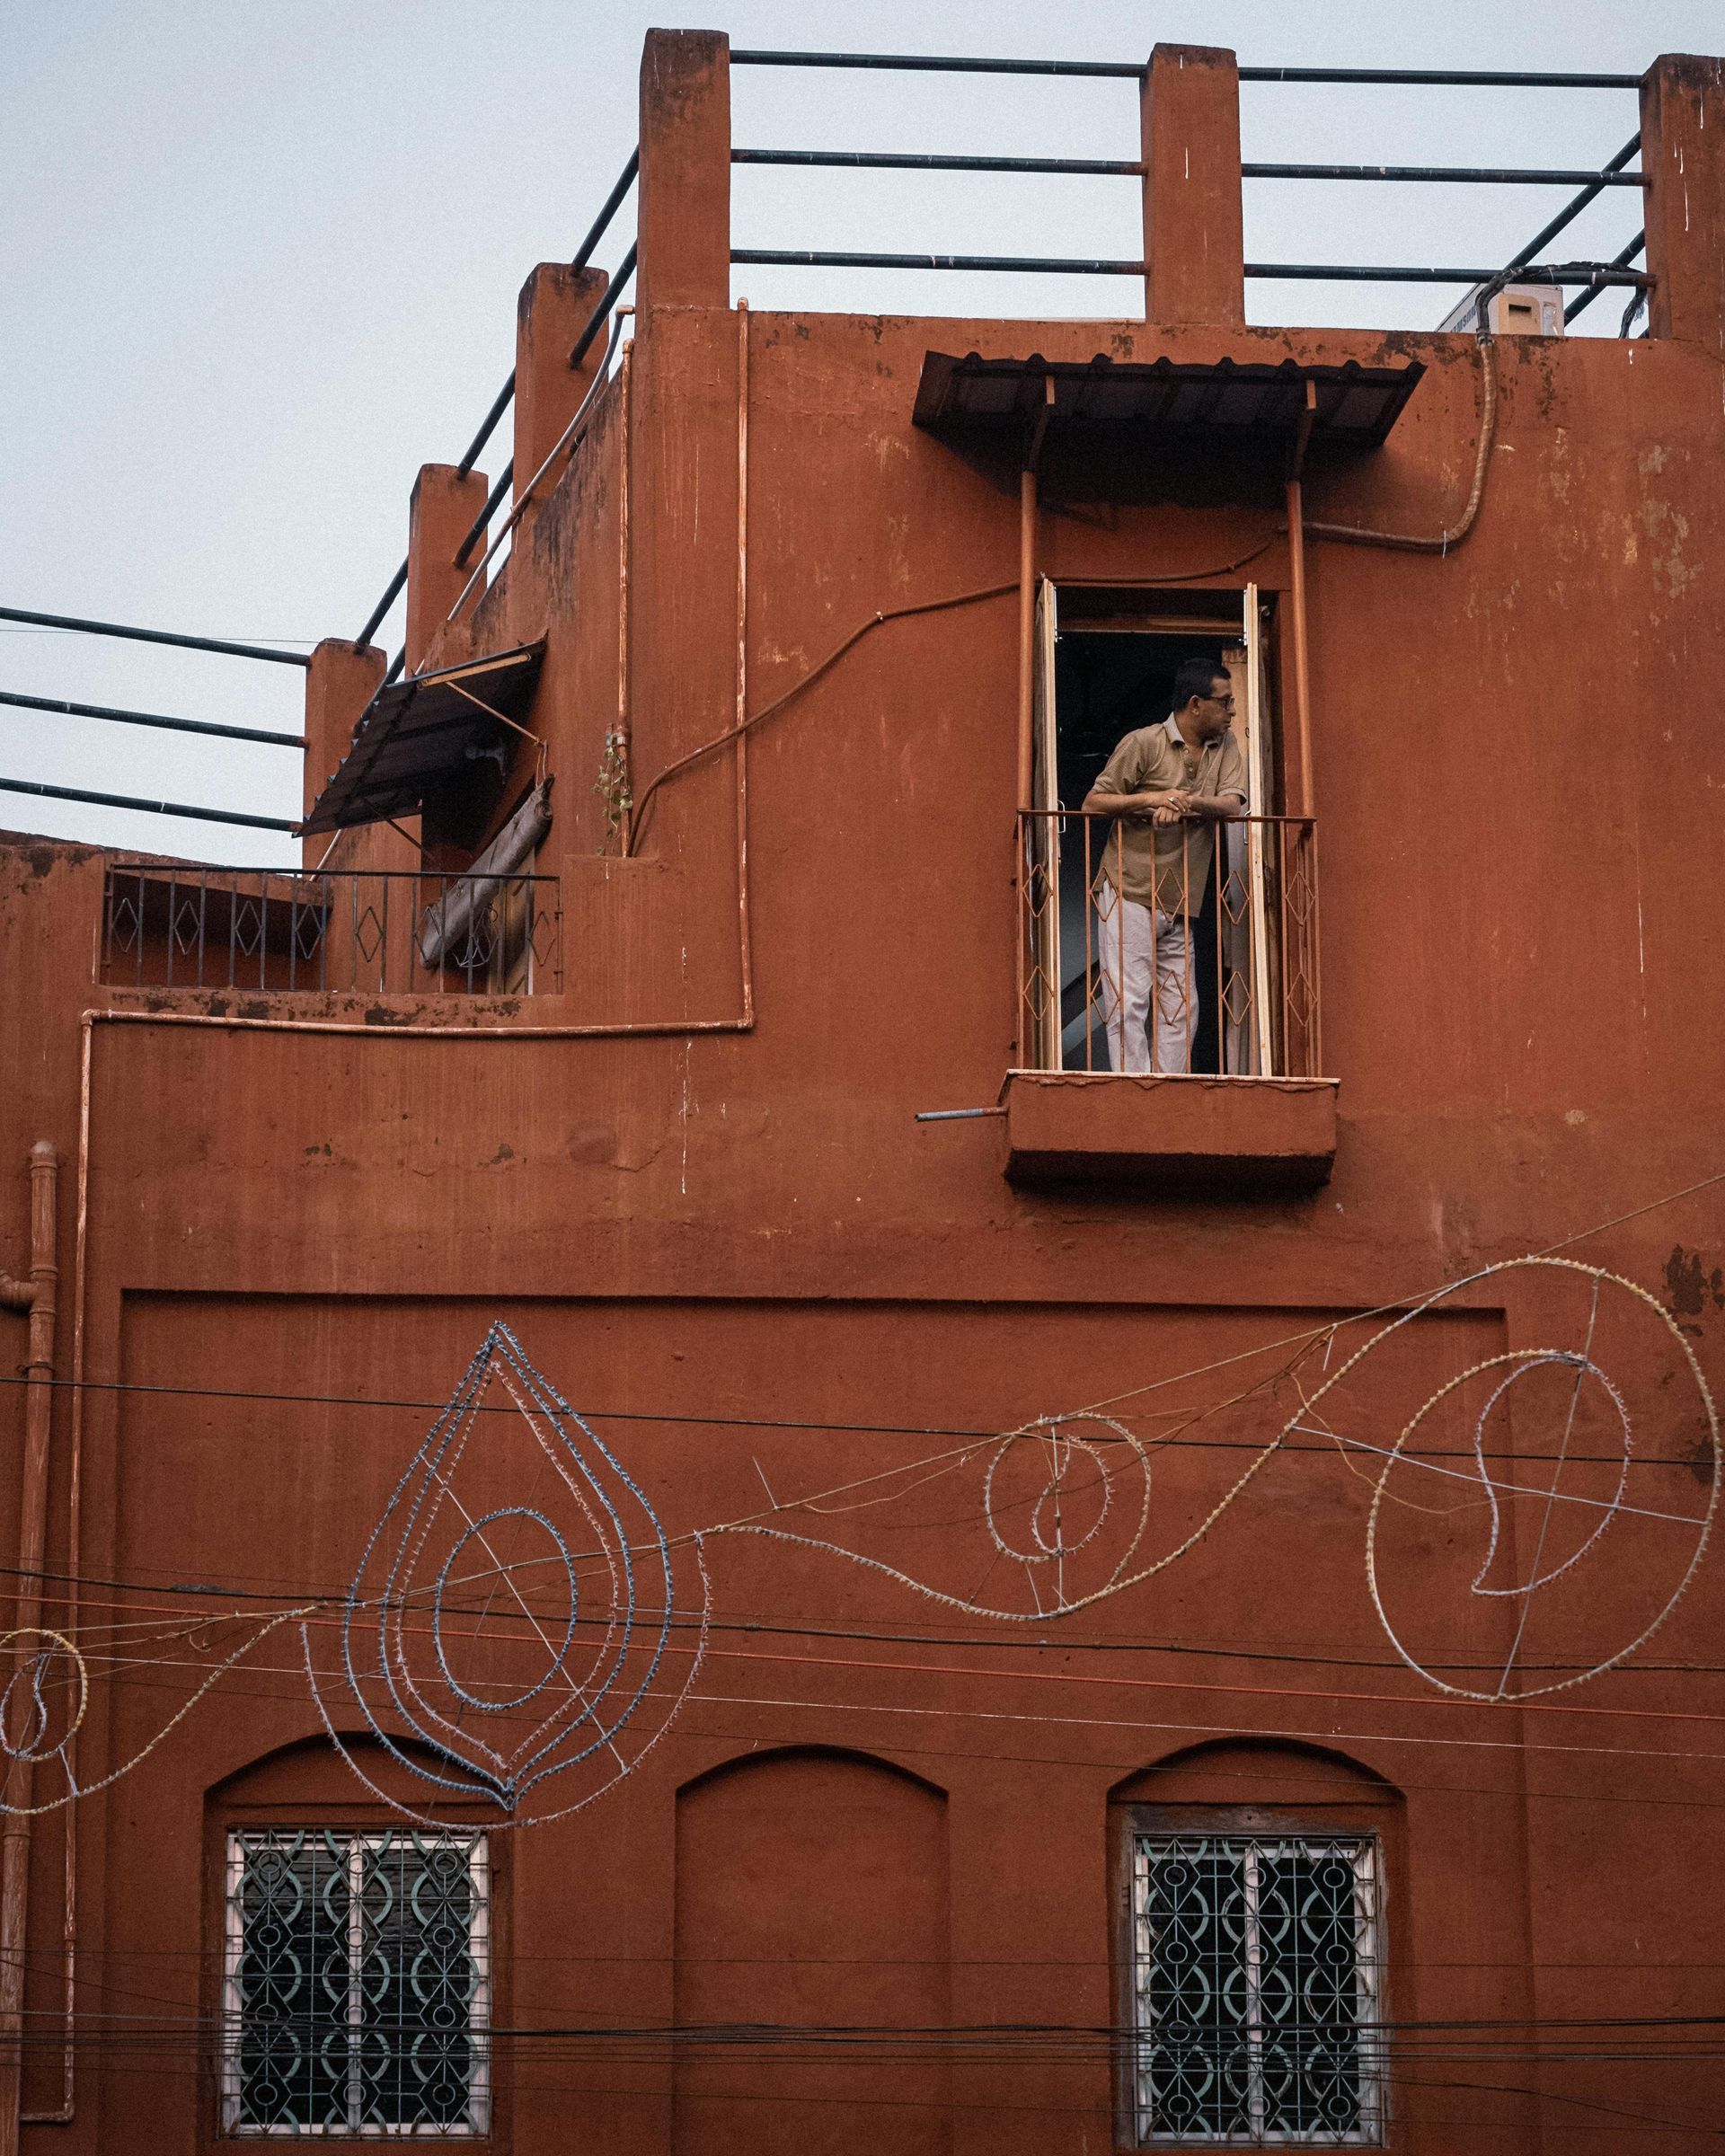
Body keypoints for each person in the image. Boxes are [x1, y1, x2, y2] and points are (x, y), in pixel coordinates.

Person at [1081, 657, 1247, 1074]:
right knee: (1128, 1004)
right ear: (1195, 704)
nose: (1232, 712)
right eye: (1224, 702)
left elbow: (1232, 804)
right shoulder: (1144, 743)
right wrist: (1152, 799)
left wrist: (1186, 802)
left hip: (1181, 898)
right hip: (1129, 888)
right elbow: (1094, 802)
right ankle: (1133, 1091)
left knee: (1183, 1008)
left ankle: (1169, 1089)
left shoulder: (1224, 746)